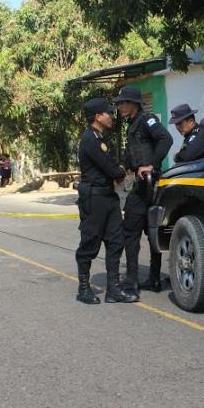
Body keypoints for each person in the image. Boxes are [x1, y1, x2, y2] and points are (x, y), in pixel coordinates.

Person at [74, 98, 138, 305]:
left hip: (108, 196)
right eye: (108, 113)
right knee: (90, 242)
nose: (112, 116)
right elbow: (111, 169)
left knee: (116, 241)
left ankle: (113, 289)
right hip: (94, 197)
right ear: (97, 117)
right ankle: (83, 288)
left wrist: (118, 171)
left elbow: (113, 168)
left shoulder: (100, 138)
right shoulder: (89, 139)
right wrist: (120, 170)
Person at [114, 85, 173, 293]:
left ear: (134, 104)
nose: (120, 106)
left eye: (123, 102)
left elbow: (166, 139)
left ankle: (136, 280)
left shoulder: (147, 120)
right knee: (143, 230)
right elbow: (133, 155)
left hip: (149, 184)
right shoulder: (132, 125)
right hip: (141, 184)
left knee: (137, 232)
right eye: (119, 103)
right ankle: (149, 279)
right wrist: (122, 169)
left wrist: (153, 165)